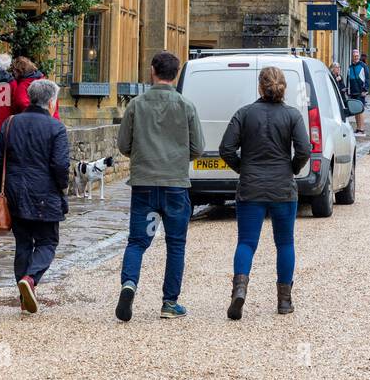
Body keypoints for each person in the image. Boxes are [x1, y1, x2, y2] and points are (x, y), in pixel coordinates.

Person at [115, 50, 204, 322]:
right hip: (175, 186)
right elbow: (197, 148)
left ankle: (129, 284)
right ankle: (169, 303)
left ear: (153, 70)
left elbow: (123, 146)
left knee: (137, 242)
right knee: (175, 244)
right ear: (175, 74)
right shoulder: (186, 106)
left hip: (143, 185)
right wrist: (177, 158)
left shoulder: (136, 105)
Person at [218, 66, 311, 319]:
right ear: (284, 88)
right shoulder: (292, 116)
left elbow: (226, 148)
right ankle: (284, 301)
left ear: (260, 87)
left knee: (246, 242)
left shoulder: (244, 113)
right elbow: (304, 150)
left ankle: (239, 291)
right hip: (283, 187)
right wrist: (291, 168)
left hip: (251, 187)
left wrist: (243, 168)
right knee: (285, 243)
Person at [0, 78, 70, 314]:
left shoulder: (11, 123)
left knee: (23, 244)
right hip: (45, 194)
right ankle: (30, 280)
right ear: (51, 102)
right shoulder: (56, 128)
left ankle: (24, 298)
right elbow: (61, 166)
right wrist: (62, 187)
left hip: (14, 193)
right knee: (48, 242)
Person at [346, 49, 369, 133]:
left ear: (359, 56)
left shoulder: (363, 66)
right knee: (356, 110)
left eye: (357, 56)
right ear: (352, 57)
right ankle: (358, 127)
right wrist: (348, 90)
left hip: (360, 91)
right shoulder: (350, 67)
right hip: (353, 91)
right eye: (354, 56)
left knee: (361, 110)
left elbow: (367, 78)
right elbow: (348, 79)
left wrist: (365, 89)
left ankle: (362, 128)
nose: (356, 57)